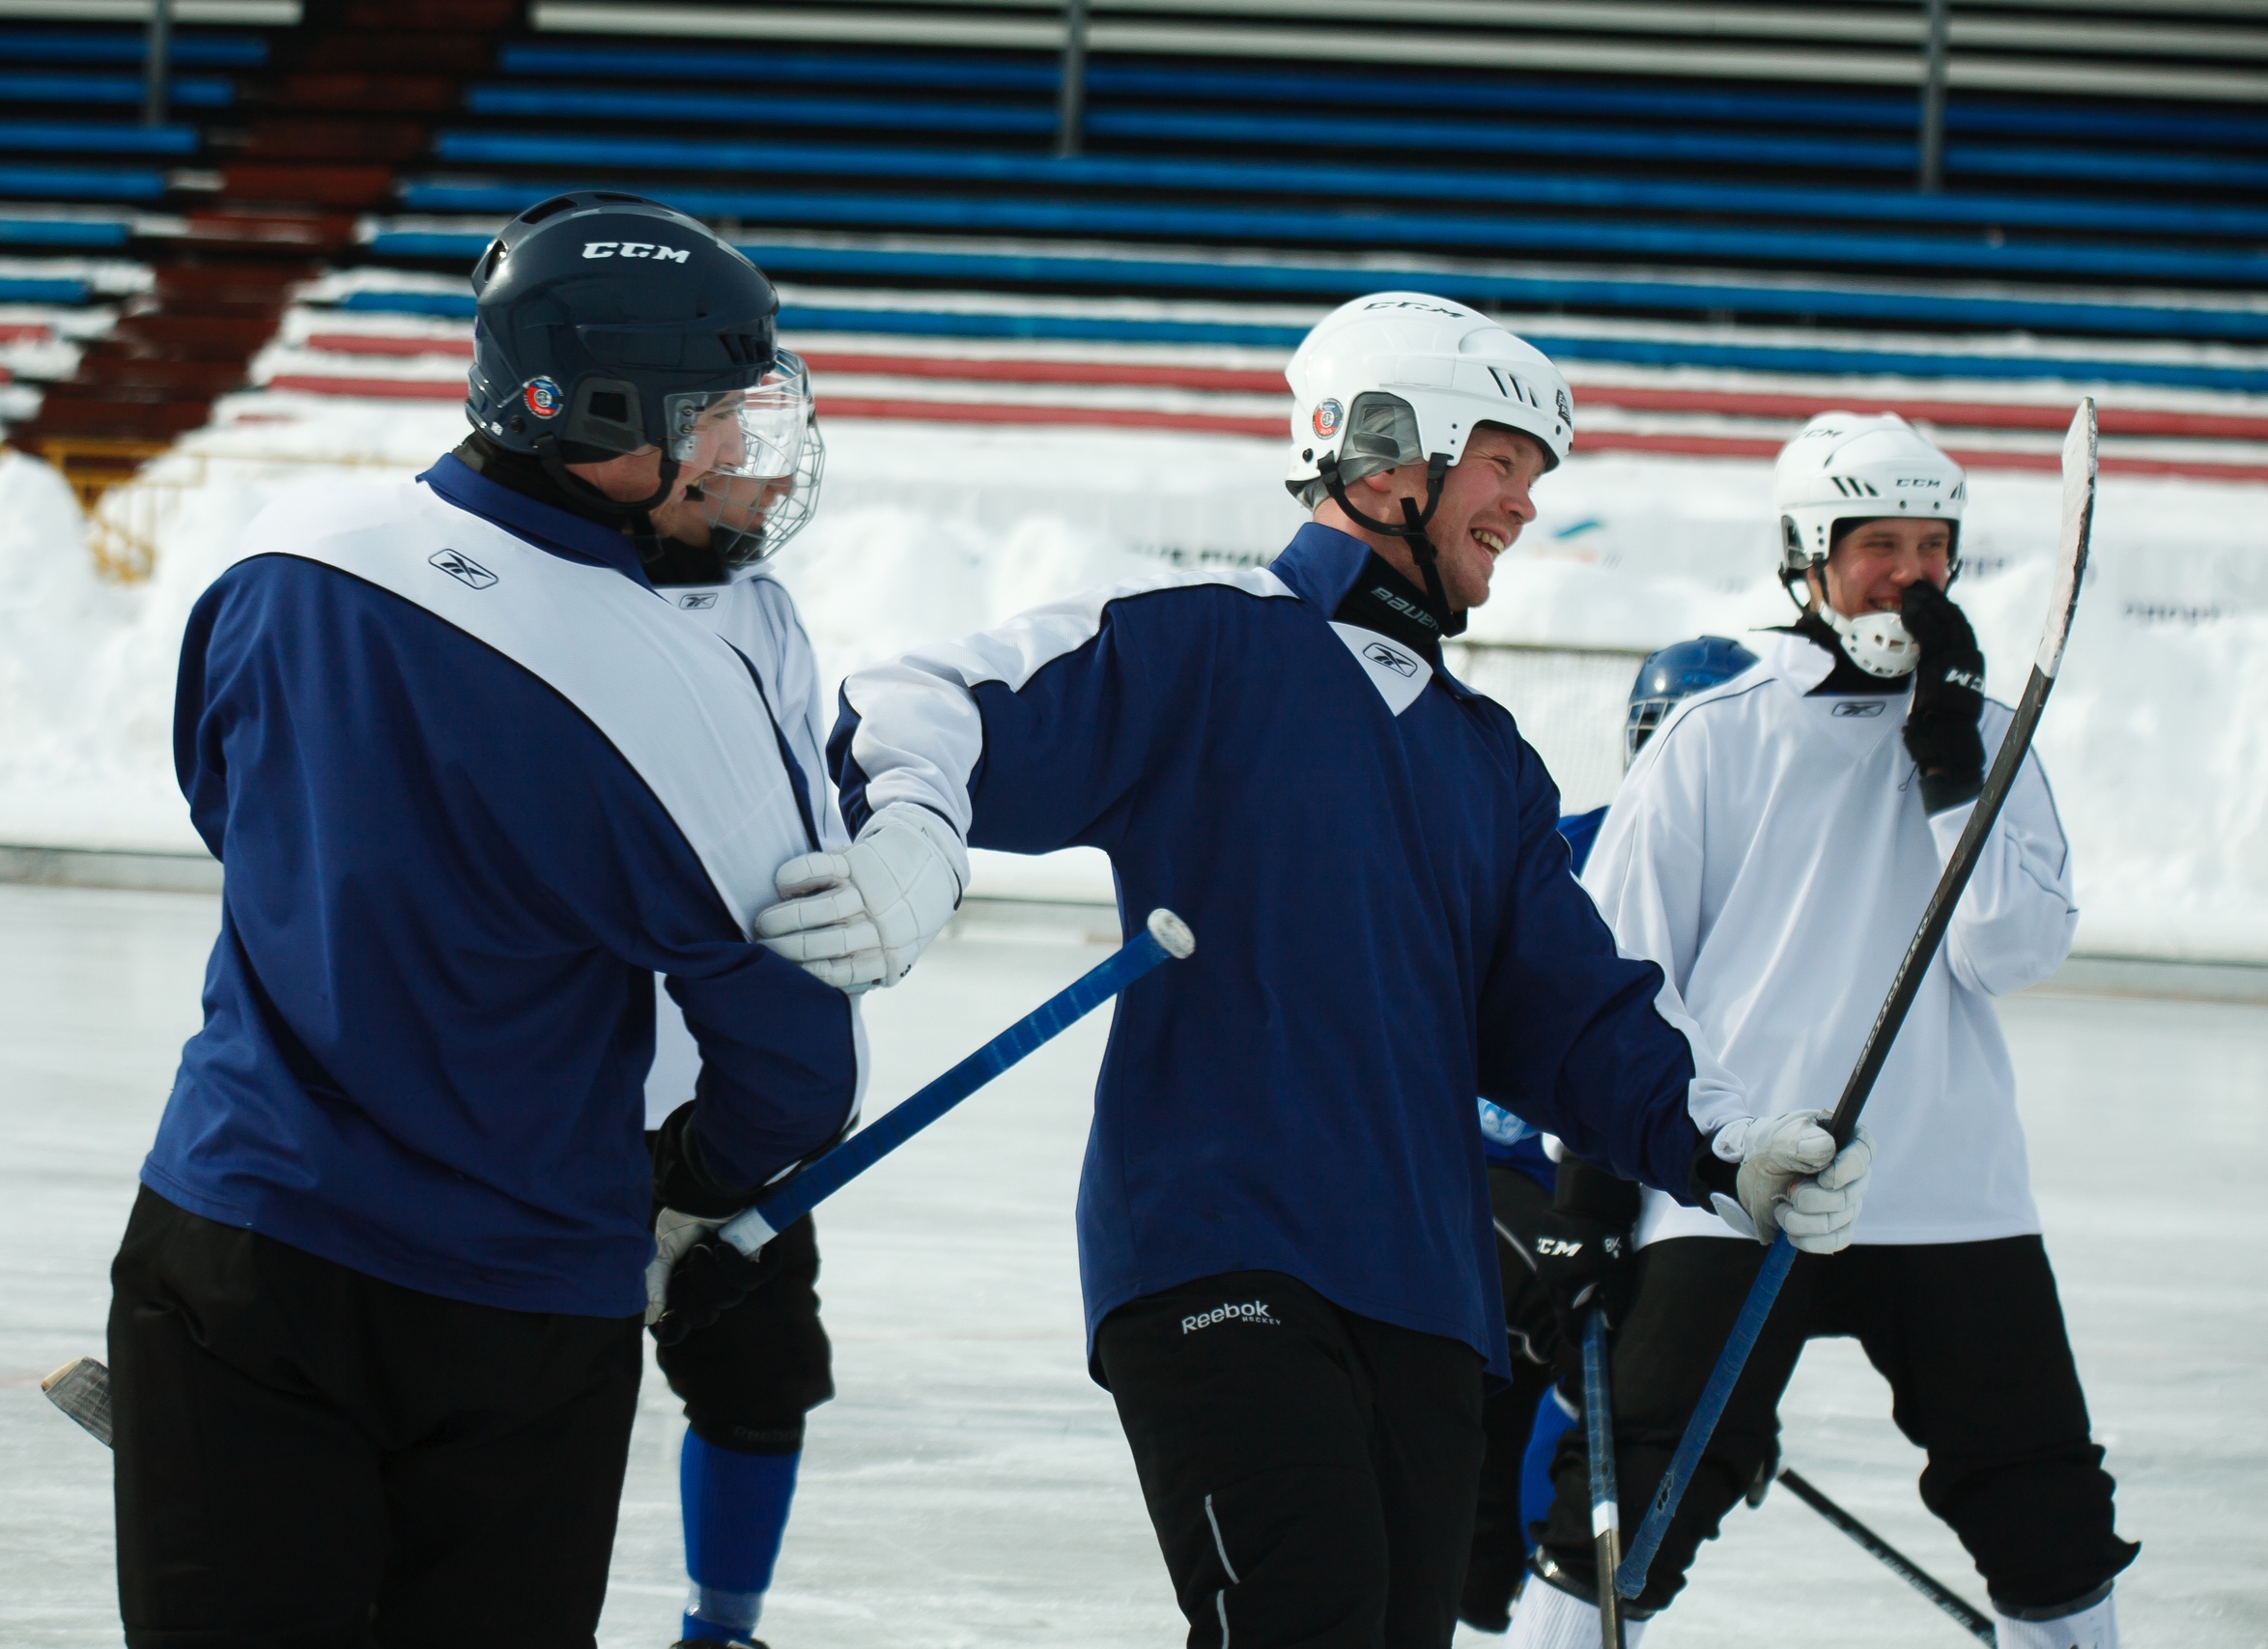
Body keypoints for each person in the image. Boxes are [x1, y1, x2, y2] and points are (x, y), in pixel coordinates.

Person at [753, 292, 1876, 1649]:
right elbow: (920, 701)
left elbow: (1570, 1013)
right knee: (1303, 1619)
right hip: (1220, 1253)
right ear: (1393, 454)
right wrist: (916, 837)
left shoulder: (1486, 760)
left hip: (1427, 1294)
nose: (1524, 505)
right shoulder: (1211, 641)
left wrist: (1723, 1141)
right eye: (1504, 463)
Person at [108, 193, 864, 1648]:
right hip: (517, 1311)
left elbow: (227, 807)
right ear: (600, 414)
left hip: (235, 1242)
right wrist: (688, 1174)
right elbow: (796, 1064)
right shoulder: (670, 687)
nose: (747, 453)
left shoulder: (287, 550)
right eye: (716, 416)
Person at [1506, 414, 2137, 1649]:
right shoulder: (1718, 732)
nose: (1911, 575)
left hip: (1950, 1191)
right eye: (1877, 546)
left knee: (2044, 1510)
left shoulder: (1992, 736)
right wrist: (1590, 1198)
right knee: (1631, 1500)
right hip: (1738, 1184)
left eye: (1932, 547)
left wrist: (1950, 769)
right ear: (1807, 554)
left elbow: (2009, 950)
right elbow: (1615, 972)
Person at [1460, 637, 1757, 1634]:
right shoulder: (1562, 850)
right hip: (1498, 1172)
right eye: (1660, 735)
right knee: (1566, 1354)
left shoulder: (1766, 893)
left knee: (1634, 1385)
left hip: (1630, 1188)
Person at [635, 404, 842, 1649]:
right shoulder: (544, 602)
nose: (771, 479)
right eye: (736, 447)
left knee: (760, 1377)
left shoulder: (762, 609)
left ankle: (722, 1631)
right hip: (566, 1096)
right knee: (511, 1393)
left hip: (737, 1102)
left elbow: (802, 817)